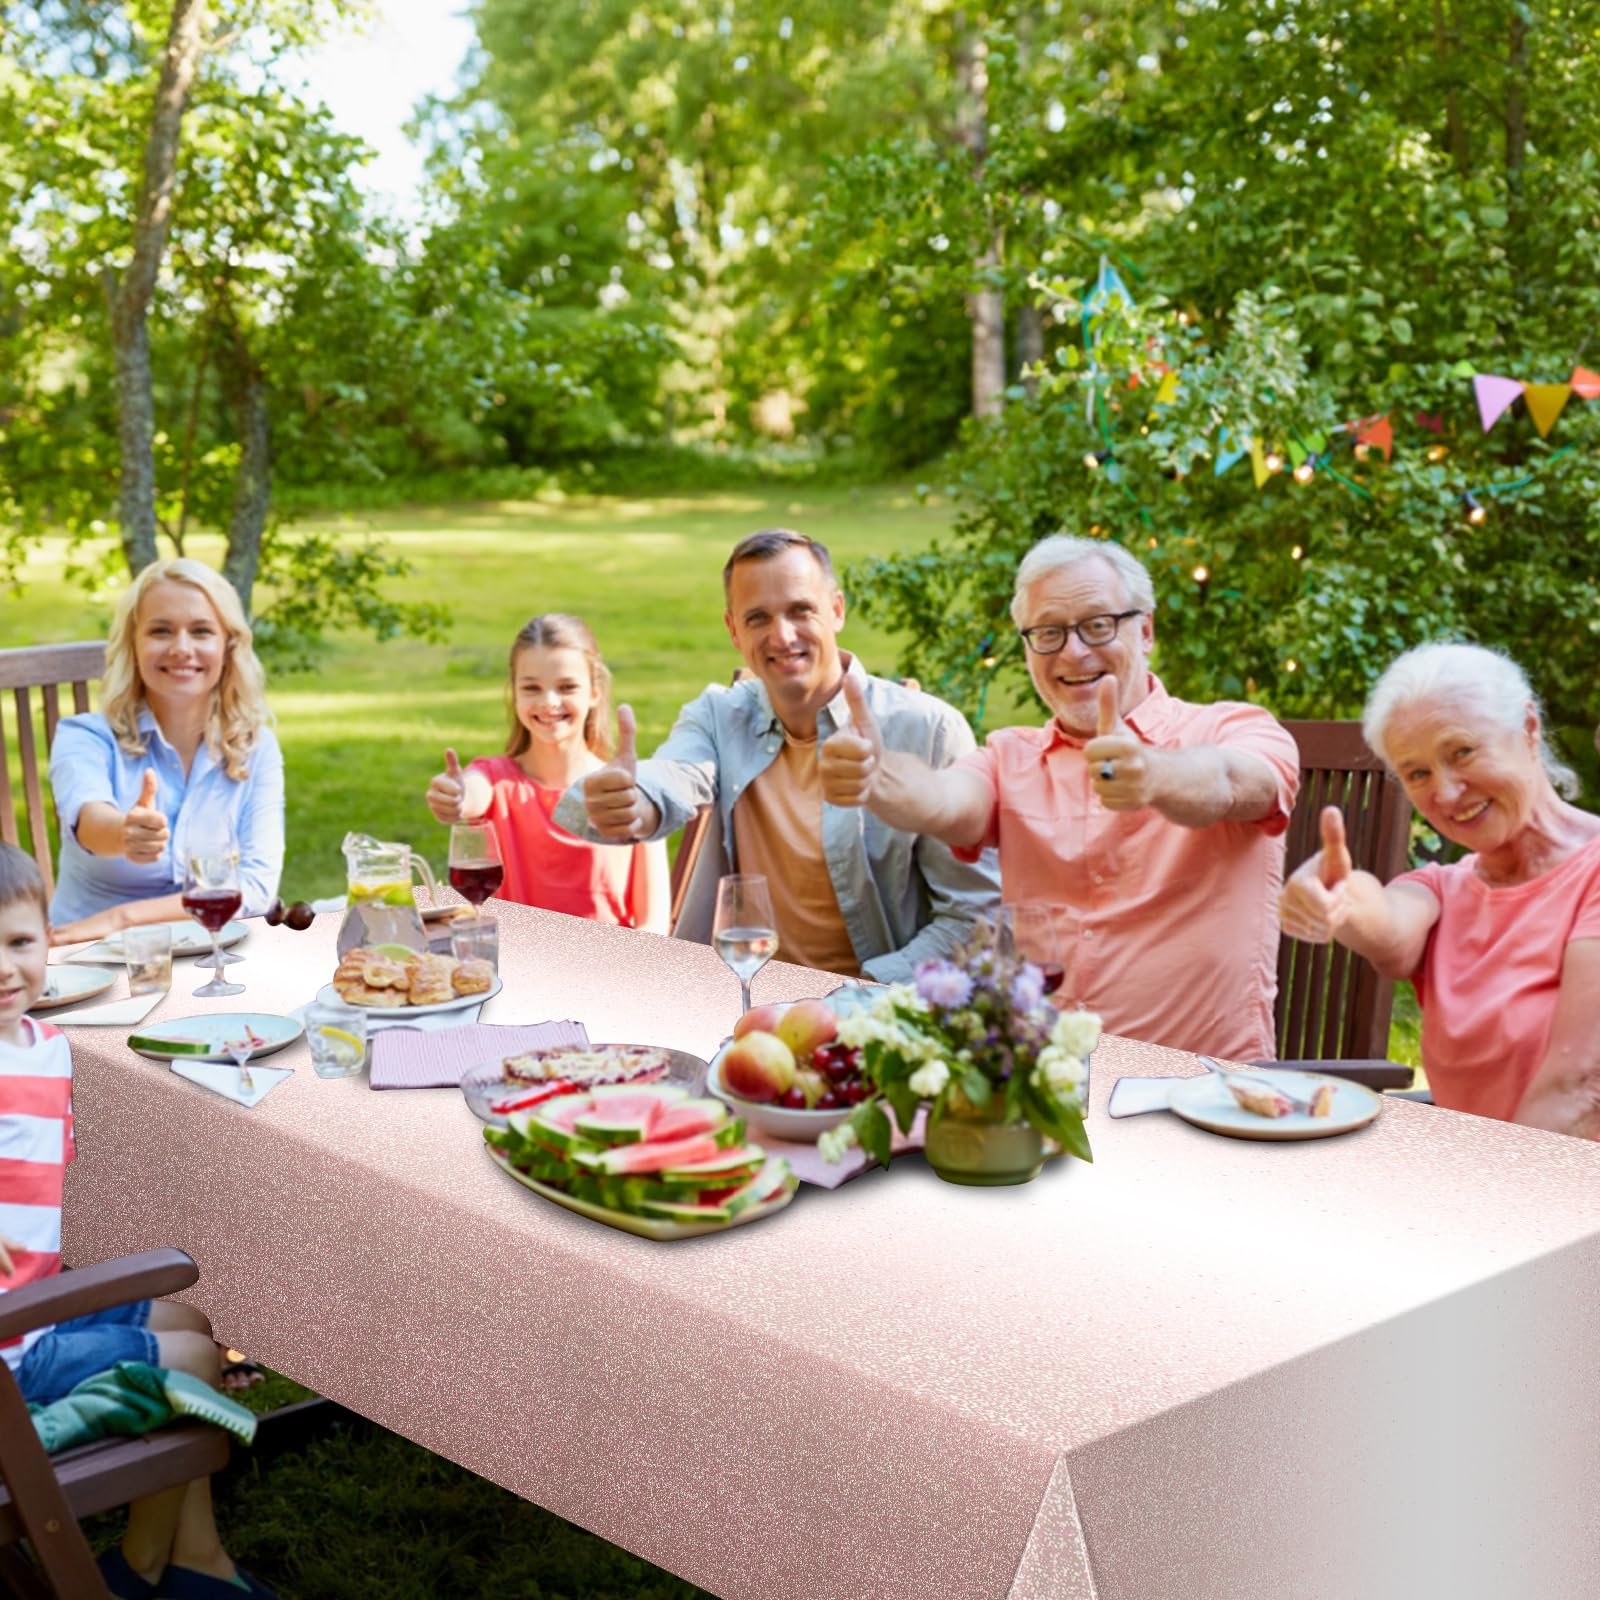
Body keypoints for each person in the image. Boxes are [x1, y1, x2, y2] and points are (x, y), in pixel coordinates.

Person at [818, 534, 1300, 1058]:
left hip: (1203, 1093)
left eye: (1098, 625)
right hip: (1047, 1090)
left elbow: (1235, 783)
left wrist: (1153, 773)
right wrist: (882, 777)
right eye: (1048, 632)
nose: (1073, 651)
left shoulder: (1234, 729)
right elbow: (946, 799)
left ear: (1146, 631)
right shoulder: (1010, 756)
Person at [0, 844, 276, 1598]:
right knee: (191, 1366)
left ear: (50, 939)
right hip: (12, 1361)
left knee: (192, 1318)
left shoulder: (45, 1048)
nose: (3, 967)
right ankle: (139, 1567)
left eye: (18, 942)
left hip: (30, 1310)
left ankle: (197, 1555)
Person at [552, 529, 999, 980]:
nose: (782, 636)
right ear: (733, 630)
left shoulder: (929, 730)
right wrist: (634, 804)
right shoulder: (717, 715)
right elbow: (674, 774)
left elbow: (977, 918)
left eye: (800, 610)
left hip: (883, 1013)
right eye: (758, 618)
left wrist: (860, 996)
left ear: (837, 610)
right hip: (745, 1002)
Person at [1280, 642, 1600, 1134]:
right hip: (1470, 1181)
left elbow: (1581, 1086)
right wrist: (1337, 896)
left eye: (1463, 752)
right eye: (1418, 773)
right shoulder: (1444, 889)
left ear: (1529, 729)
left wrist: (1484, 1205)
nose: (1446, 793)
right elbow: (1388, 922)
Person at [47, 559, 283, 947]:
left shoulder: (256, 747)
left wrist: (122, 919)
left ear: (229, 645)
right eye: (160, 631)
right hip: (90, 962)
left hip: (212, 958)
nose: (181, 648)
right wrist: (124, 833)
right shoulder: (84, 736)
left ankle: (424, 899)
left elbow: (256, 888)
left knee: (402, 905)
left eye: (202, 631)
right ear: (133, 644)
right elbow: (89, 822)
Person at [424, 614, 669, 932]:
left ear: (594, 691)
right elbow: (471, 792)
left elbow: (655, 923)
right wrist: (455, 796)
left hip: (606, 973)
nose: (549, 702)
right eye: (531, 688)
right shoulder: (495, 781)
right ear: (514, 692)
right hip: (516, 971)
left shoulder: (628, 794)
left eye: (567, 687)